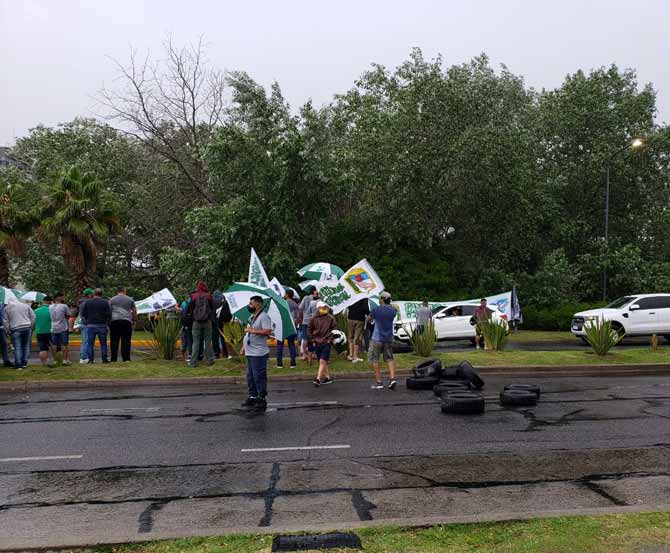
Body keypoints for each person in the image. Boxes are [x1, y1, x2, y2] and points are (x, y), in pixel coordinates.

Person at [240, 295, 272, 412]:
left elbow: (268, 331)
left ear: (258, 304)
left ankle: (261, 398)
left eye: (251, 304)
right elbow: (248, 334)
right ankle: (252, 396)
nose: (249, 306)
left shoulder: (264, 317)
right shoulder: (252, 317)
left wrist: (253, 330)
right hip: (250, 351)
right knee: (250, 376)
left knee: (259, 376)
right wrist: (243, 346)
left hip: (259, 353)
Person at [367, 291, 398, 390]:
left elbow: (368, 319)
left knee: (374, 359)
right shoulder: (393, 310)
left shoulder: (376, 310)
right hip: (388, 338)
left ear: (382, 299)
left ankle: (379, 382)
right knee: (390, 358)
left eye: (380, 298)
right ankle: (392, 379)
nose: (379, 300)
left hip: (377, 338)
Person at [308, 301, 338, 386]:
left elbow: (335, 329)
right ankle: (327, 378)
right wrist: (313, 340)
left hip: (326, 342)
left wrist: (330, 339)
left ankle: (318, 379)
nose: (324, 309)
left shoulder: (331, 318)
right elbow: (309, 330)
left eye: (325, 307)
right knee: (322, 361)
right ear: (318, 308)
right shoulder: (313, 319)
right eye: (322, 307)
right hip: (317, 342)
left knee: (322, 360)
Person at [187, 281, 215, 367]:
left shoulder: (193, 296)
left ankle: (193, 362)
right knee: (207, 341)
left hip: (196, 322)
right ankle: (209, 360)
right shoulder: (209, 295)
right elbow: (212, 307)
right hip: (207, 321)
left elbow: (190, 309)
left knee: (196, 342)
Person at [3, 300, 35, 369]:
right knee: (26, 346)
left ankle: (18, 364)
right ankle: (24, 363)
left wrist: (8, 331)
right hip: (27, 327)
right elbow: (33, 316)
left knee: (17, 347)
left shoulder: (7, 308)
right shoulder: (26, 305)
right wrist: (31, 326)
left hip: (15, 329)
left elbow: (5, 321)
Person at [81, 288, 111, 363]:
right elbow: (108, 314)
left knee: (90, 344)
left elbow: (84, 314)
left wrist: (89, 320)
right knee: (103, 344)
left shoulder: (88, 302)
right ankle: (104, 359)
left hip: (91, 325)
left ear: (94, 294)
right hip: (102, 325)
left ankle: (90, 359)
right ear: (101, 294)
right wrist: (106, 322)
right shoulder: (105, 302)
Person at [109, 286, 137, 362]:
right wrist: (134, 320)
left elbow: (109, 311)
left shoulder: (112, 299)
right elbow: (134, 310)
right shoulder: (130, 299)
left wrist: (109, 321)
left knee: (114, 340)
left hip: (114, 321)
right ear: (124, 291)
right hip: (126, 321)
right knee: (126, 340)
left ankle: (113, 358)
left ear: (117, 291)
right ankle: (126, 358)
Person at [276, 289, 299, 369]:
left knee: (279, 345)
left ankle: (279, 364)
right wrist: (295, 324)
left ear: (287, 294)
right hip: (291, 326)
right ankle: (293, 363)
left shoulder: (281, 303)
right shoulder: (295, 304)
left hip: (281, 326)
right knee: (291, 345)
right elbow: (297, 317)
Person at [50, 293, 71, 365]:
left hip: (53, 327)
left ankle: (54, 360)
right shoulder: (64, 306)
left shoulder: (50, 306)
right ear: (58, 298)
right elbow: (68, 315)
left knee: (54, 344)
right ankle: (65, 360)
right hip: (63, 327)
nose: (63, 298)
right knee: (64, 344)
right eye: (62, 297)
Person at [298, 287, 318, 361]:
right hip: (314, 321)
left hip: (305, 321)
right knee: (315, 338)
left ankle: (304, 355)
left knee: (305, 338)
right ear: (314, 291)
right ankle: (314, 354)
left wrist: (300, 318)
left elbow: (300, 308)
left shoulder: (305, 298)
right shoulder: (317, 299)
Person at [347, 298, 369, 363]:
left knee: (350, 336)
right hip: (359, 319)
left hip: (350, 318)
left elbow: (348, 306)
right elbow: (366, 309)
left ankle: (351, 355)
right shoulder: (364, 298)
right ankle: (355, 356)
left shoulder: (352, 296)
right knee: (357, 338)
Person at [34, 296, 54, 366]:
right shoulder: (51, 310)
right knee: (53, 346)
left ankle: (43, 363)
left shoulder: (36, 311)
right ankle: (55, 361)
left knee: (42, 348)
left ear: (43, 301)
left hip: (39, 332)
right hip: (50, 331)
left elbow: (33, 322)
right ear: (50, 301)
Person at [77, 288, 94, 364]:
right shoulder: (87, 303)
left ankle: (84, 356)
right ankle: (84, 357)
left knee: (85, 341)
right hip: (86, 323)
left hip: (83, 323)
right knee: (86, 341)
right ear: (89, 295)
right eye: (92, 293)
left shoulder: (81, 302)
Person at [216, 295, 233, 360]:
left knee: (226, 338)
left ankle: (227, 353)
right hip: (231, 322)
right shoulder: (228, 303)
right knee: (229, 338)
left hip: (223, 323)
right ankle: (229, 353)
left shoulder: (220, 302)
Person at [179, 295, 194, 361]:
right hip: (193, 324)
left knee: (185, 339)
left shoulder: (184, 303)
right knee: (191, 340)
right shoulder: (194, 302)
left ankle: (184, 354)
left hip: (185, 324)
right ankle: (191, 354)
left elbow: (181, 312)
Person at [0, 302, 13, 367]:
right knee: (4, 344)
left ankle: (6, 361)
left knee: (4, 344)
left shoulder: (2, 305)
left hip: (1, 327)